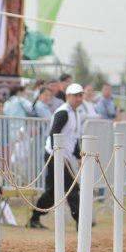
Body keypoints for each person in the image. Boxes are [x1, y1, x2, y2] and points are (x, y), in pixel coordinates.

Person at [29, 83, 85, 228]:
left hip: (63, 156)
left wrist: (78, 156)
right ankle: (81, 222)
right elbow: (54, 133)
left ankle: (34, 218)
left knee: (52, 193)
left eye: (80, 95)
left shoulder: (76, 113)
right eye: (76, 96)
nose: (79, 99)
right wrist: (57, 154)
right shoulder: (63, 112)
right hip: (54, 156)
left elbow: (73, 138)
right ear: (68, 97)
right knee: (72, 188)